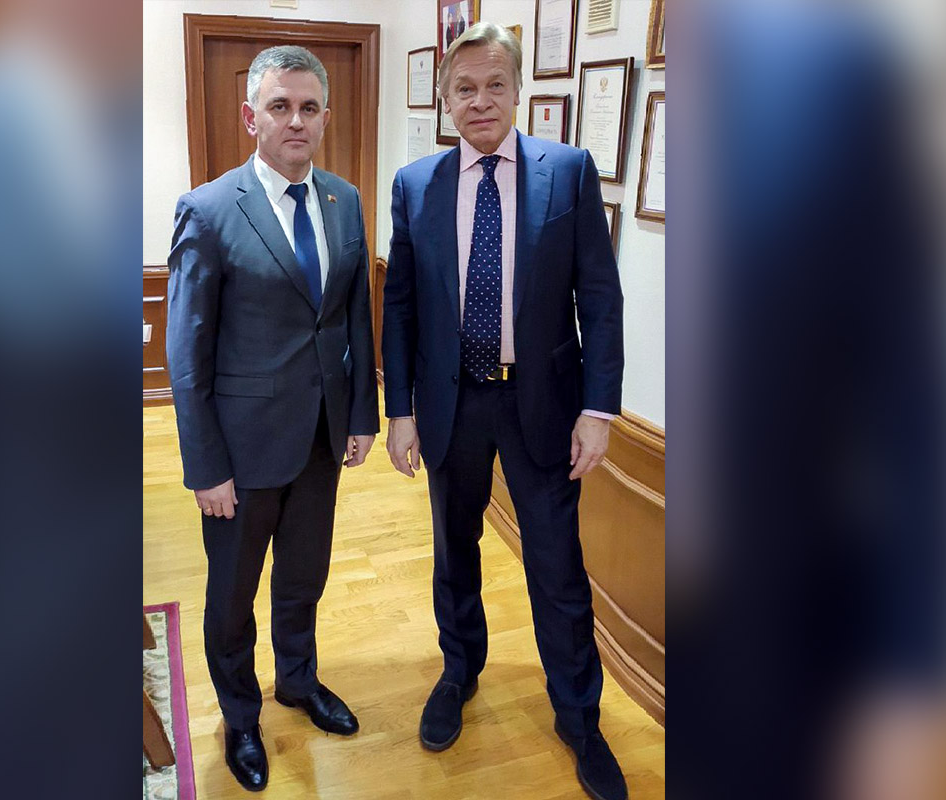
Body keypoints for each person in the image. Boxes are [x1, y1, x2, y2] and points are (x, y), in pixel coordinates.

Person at [381, 23, 627, 800]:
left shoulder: (568, 172)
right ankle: (460, 672)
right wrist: (399, 410)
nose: (480, 100)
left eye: (494, 85)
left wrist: (600, 409)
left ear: (518, 91)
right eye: (465, 88)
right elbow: (400, 307)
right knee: (454, 552)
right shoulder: (415, 185)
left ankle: (579, 719)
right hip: (451, 402)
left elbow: (600, 299)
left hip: (542, 405)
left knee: (557, 568)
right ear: (446, 100)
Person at [165, 45, 378, 792]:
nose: (296, 121)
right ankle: (240, 716)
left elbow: (353, 317)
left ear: (325, 116)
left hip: (320, 436)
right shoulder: (209, 209)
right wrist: (205, 466)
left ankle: (298, 679)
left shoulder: (344, 200)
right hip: (242, 449)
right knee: (232, 596)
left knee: (303, 576)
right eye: (280, 106)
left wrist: (362, 415)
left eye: (309, 107)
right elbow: (185, 353)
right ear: (250, 116)